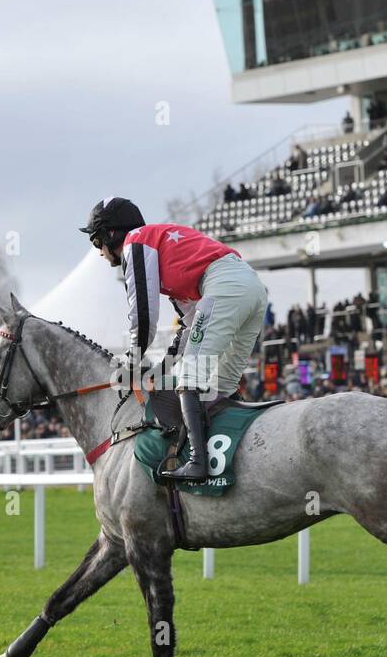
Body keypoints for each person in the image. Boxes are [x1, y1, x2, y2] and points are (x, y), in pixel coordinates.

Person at [79, 196, 269, 481]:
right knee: (222, 386)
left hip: (225, 286)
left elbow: (143, 316)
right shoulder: (161, 249)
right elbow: (189, 327)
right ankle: (240, 463)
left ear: (110, 233)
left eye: (96, 243)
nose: (100, 253)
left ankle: (198, 462)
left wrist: (132, 361)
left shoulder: (135, 244)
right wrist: (163, 366)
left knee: (190, 378)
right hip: (251, 287)